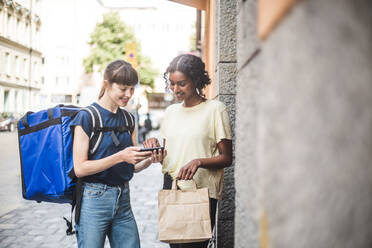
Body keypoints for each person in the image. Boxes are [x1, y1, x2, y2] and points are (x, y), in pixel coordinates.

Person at [70, 59, 165, 248]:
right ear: (106, 84)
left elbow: (133, 166)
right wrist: (120, 156)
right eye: (123, 89)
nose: (128, 94)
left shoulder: (129, 118)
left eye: (132, 89)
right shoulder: (87, 117)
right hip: (93, 200)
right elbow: (80, 168)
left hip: (123, 199)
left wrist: (149, 158)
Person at [143, 54, 233, 248]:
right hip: (172, 185)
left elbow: (227, 158)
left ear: (197, 80)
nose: (176, 89)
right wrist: (154, 148)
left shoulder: (215, 110)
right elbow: (167, 153)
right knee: (175, 245)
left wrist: (198, 161)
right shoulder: (171, 112)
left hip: (200, 191)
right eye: (172, 84)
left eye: (182, 84)